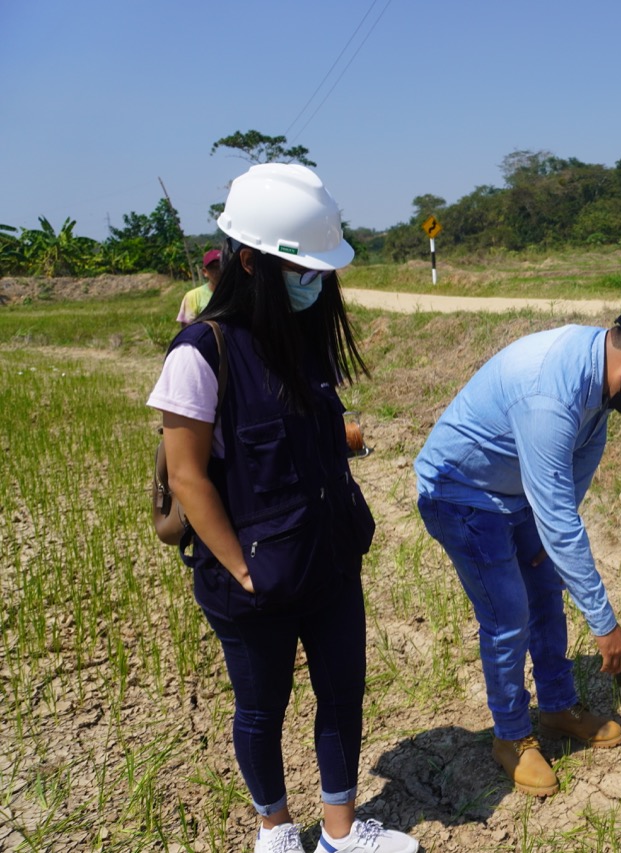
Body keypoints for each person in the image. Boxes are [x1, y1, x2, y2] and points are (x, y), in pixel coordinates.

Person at [148, 163, 418, 853]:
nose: (316, 283)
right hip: (254, 580)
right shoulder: (201, 353)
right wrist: (240, 569)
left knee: (342, 693)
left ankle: (339, 829)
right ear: (248, 260)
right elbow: (186, 475)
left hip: (327, 559)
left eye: (321, 271)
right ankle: (274, 826)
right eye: (302, 271)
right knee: (261, 709)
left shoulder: (306, 341)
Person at [415, 306, 621, 796]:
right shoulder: (549, 394)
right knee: (508, 612)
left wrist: (549, 546)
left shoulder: (599, 370)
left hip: (513, 489)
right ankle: (510, 736)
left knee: (545, 588)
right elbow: (557, 517)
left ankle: (557, 706)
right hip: (460, 492)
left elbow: (580, 461)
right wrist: (605, 624)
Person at [177, 249, 222, 326]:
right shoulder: (193, 296)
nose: (218, 271)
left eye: (221, 266)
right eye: (213, 268)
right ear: (205, 272)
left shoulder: (236, 293)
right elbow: (187, 329)